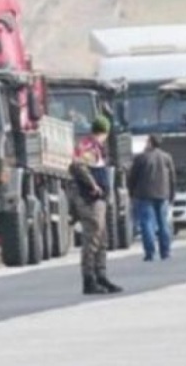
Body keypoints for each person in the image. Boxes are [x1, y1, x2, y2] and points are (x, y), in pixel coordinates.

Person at [70, 116, 122, 295]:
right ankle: (89, 279)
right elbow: (79, 167)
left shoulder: (96, 147)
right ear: (105, 132)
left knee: (102, 239)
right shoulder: (88, 146)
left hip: (98, 201)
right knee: (92, 239)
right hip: (89, 200)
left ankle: (101, 276)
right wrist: (93, 185)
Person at [128, 134, 177, 261]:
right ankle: (165, 252)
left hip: (144, 195)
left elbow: (132, 177)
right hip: (163, 194)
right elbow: (172, 178)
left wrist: (131, 193)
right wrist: (171, 195)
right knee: (163, 223)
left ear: (150, 142)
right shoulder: (167, 157)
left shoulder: (141, 158)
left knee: (147, 223)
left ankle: (150, 253)